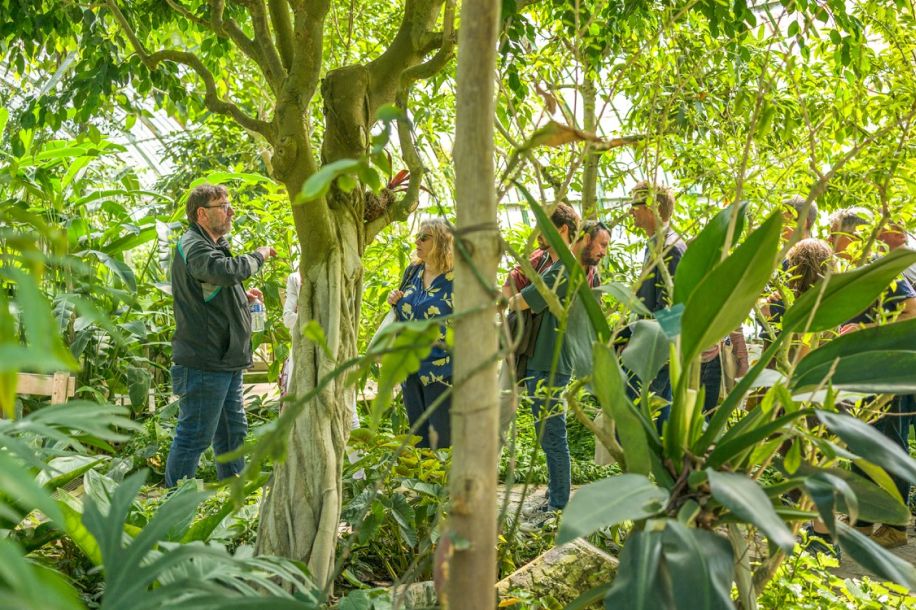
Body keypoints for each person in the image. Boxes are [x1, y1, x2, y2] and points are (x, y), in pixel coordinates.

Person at [165, 184, 276, 487]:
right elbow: (223, 272)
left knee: (232, 431)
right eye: (223, 206)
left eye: (229, 205)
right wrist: (259, 256)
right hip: (204, 360)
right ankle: (176, 509)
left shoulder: (212, 245)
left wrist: (244, 299)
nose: (231, 212)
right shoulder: (193, 244)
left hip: (225, 359)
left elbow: (211, 292)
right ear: (201, 213)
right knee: (194, 437)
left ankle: (232, 499)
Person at [506, 220, 611, 521]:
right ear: (584, 238)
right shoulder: (585, 273)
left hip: (549, 362)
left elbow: (522, 301)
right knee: (550, 433)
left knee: (552, 434)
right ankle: (555, 497)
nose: (604, 251)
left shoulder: (565, 270)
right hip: (555, 360)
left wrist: (511, 300)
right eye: (602, 244)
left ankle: (559, 504)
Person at [830, 208, 916, 548]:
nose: (831, 238)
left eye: (835, 231)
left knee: (889, 444)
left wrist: (865, 329)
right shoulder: (858, 271)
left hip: (889, 372)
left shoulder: (883, 271)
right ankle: (862, 518)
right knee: (860, 441)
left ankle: (896, 524)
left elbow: (912, 313)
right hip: (864, 373)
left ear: (853, 236)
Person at [387, 218, 454, 449]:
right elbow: (405, 308)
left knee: (442, 439)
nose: (417, 241)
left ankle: (445, 485)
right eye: (418, 236)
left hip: (442, 369)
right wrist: (394, 300)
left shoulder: (458, 278)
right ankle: (422, 484)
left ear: (442, 242)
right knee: (418, 438)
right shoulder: (412, 270)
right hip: (410, 368)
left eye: (424, 237)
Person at [626, 181, 687, 426]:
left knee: (640, 413)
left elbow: (671, 306)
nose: (631, 210)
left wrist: (659, 356)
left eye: (635, 204)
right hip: (652, 344)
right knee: (660, 414)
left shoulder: (669, 247)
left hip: (657, 348)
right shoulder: (655, 243)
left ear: (652, 207)